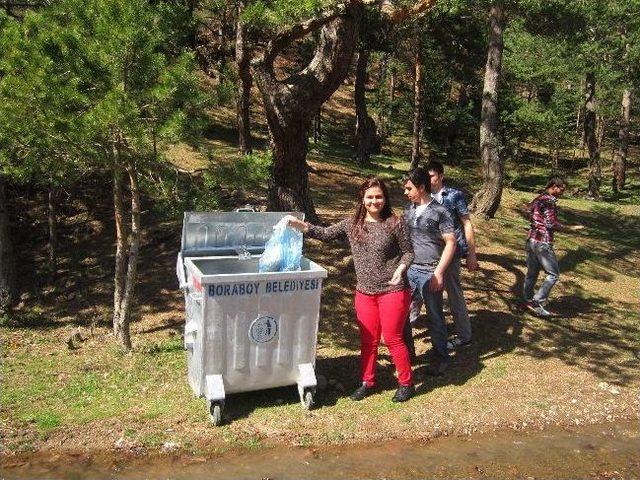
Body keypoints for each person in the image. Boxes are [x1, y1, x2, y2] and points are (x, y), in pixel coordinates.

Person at [285, 177, 416, 402]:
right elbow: (324, 234)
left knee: (393, 338)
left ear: (385, 198)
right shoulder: (351, 224)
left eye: (379, 197)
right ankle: (367, 381)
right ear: (362, 199)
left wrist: (402, 268)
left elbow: (408, 251)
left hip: (392, 290)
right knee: (368, 340)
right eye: (370, 197)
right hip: (365, 292)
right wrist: (299, 225)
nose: (375, 201)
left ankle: (406, 383)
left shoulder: (395, 223)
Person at [408, 161, 478, 351]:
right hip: (425, 256)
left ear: (441, 176)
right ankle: (406, 328)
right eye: (427, 177)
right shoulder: (419, 198)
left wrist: (472, 254)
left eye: (432, 176)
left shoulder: (454, 196)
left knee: (454, 295)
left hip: (450, 256)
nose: (429, 180)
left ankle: (464, 335)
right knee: (416, 295)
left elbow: (467, 224)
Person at [403, 168, 457, 375]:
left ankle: (441, 358)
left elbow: (450, 243)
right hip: (409, 271)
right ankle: (408, 354)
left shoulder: (440, 211)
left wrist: (439, 272)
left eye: (409, 188)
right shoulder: (408, 210)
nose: (406, 193)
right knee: (403, 315)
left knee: (435, 316)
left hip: (430, 272)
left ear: (422, 187)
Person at [523, 177, 584, 317]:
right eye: (562, 189)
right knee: (553, 274)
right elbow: (551, 224)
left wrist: (536, 224)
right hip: (543, 243)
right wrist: (571, 228)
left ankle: (527, 300)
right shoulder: (549, 202)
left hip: (531, 240)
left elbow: (528, 212)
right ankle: (536, 302)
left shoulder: (538, 198)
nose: (563, 191)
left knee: (532, 273)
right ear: (555, 186)